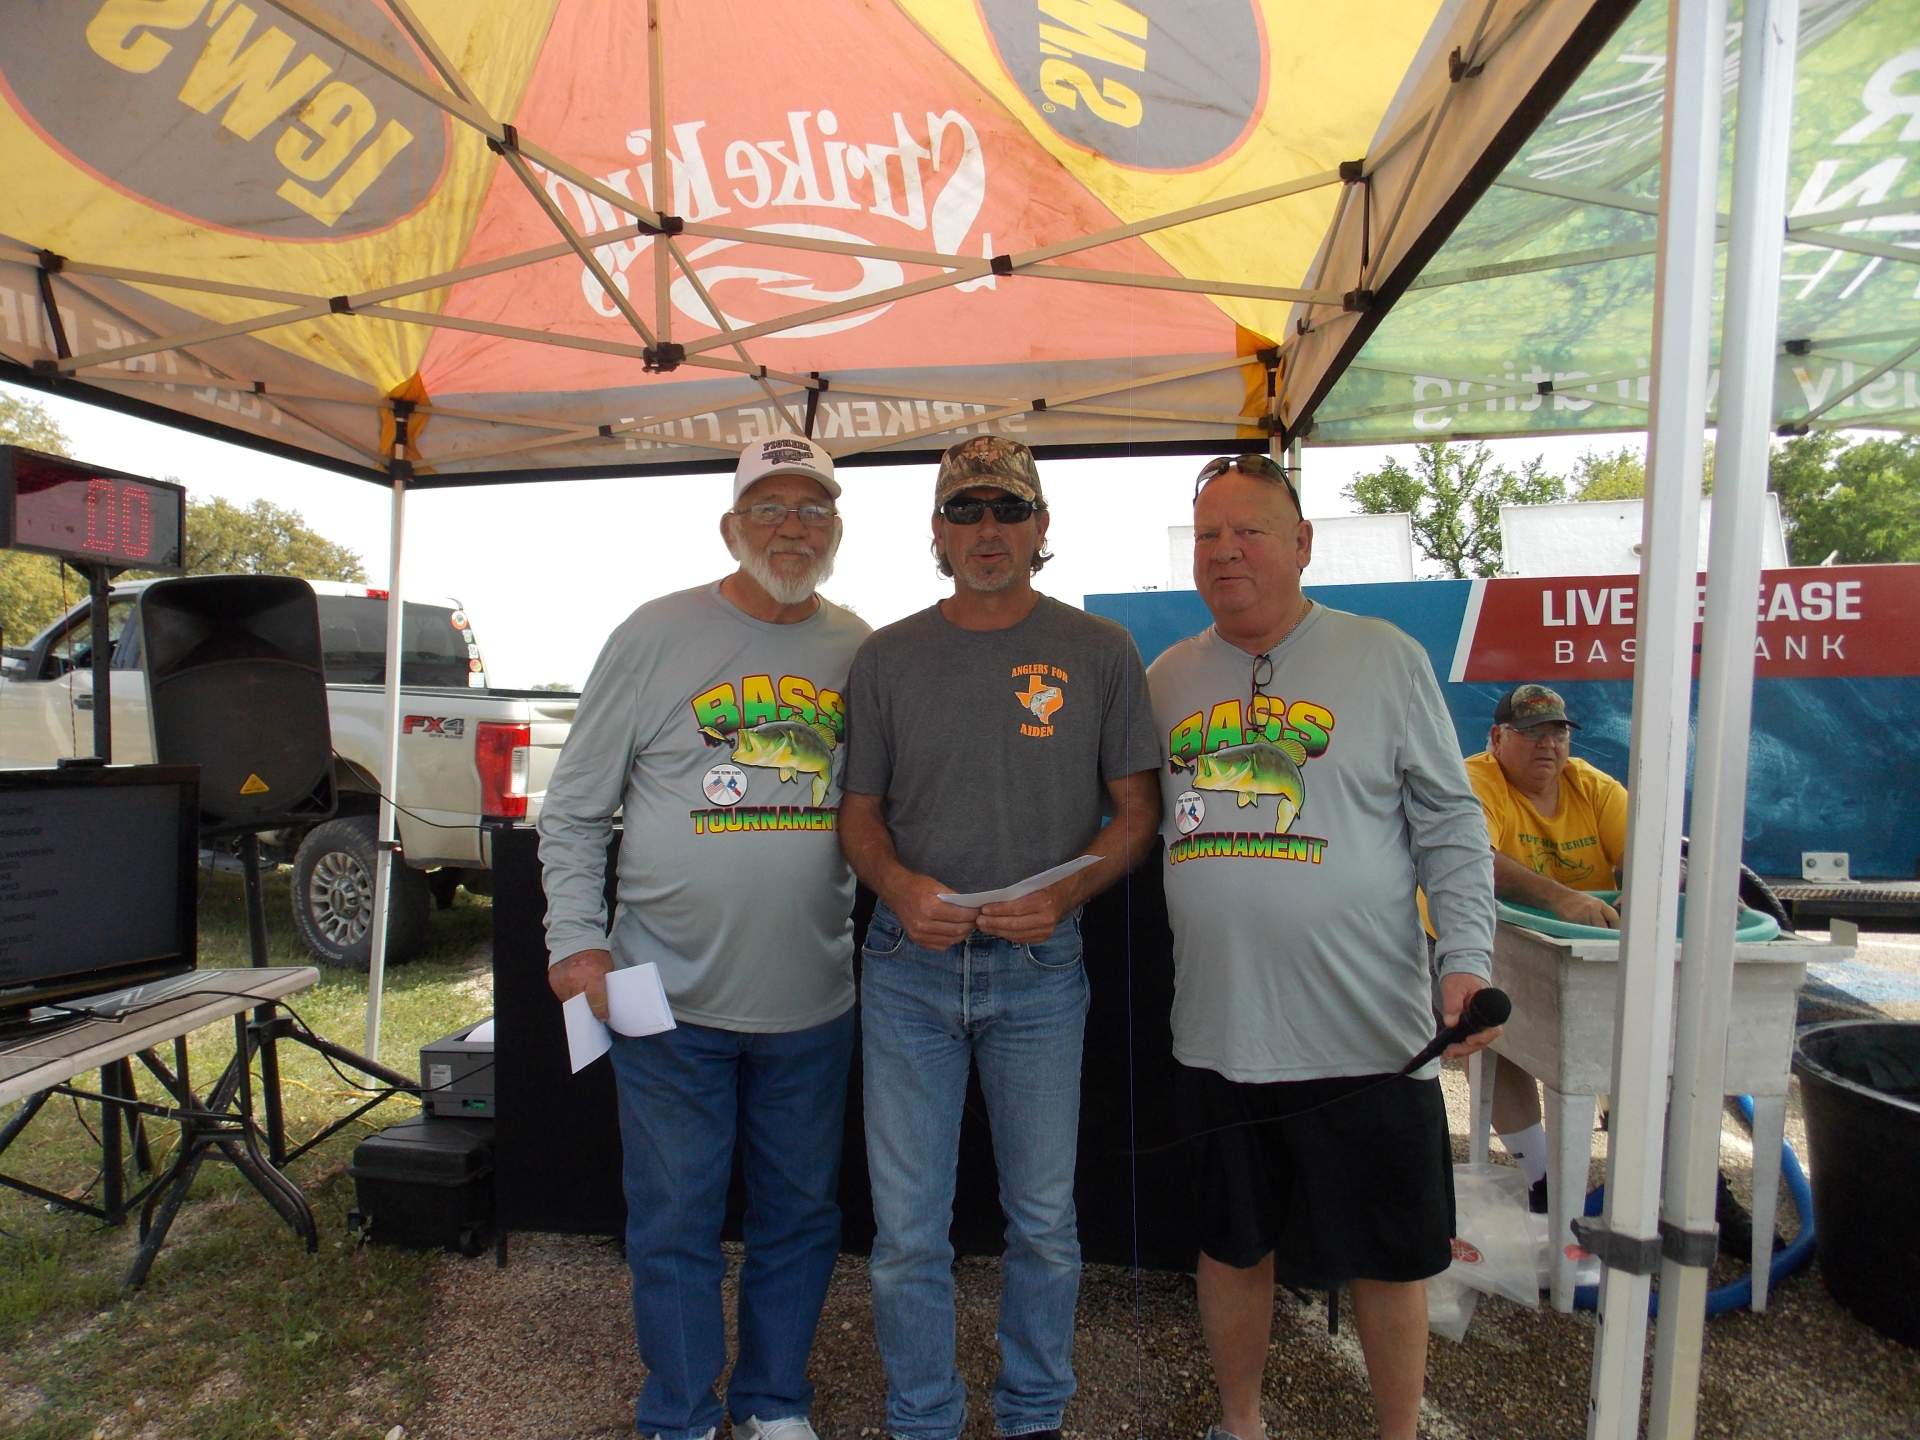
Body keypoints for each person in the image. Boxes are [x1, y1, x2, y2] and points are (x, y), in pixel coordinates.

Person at [1146, 453, 1499, 1440]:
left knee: (1393, 1257)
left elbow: (1451, 826)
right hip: (1221, 1031)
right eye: (1208, 535)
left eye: (1248, 531)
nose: (1225, 552)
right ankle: (1243, 1422)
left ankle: (1398, 1432)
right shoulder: (1167, 679)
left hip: (1371, 1037)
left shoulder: (1383, 657)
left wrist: (1464, 960)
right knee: (1230, 1246)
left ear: (1302, 544)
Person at [539, 433, 869, 1440]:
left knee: (800, 1219)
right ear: (731, 527)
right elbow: (576, 808)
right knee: (675, 1224)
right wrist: (575, 938)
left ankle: (774, 1403)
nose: (792, 527)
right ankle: (680, 1415)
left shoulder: (860, 646)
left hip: (812, 1001)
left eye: (812, 509)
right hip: (661, 997)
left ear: (838, 532)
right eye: (770, 508)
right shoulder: (654, 633)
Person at [838, 435, 1161, 1440]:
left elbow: (1136, 814)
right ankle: (924, 1419)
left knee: (1047, 1228)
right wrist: (894, 885)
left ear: (1042, 528)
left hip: (1039, 971)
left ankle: (1033, 1416)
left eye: (1008, 511)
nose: (989, 532)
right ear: (936, 531)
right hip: (908, 969)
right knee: (905, 1235)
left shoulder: (1100, 650)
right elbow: (859, 814)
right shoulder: (886, 656)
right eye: (967, 511)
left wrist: (1068, 896)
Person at [1464, 683, 1627, 1209]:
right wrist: (1562, 899)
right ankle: (1542, 1180)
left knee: (1639, 1044)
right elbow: (1471, 856)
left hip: (1585, 949)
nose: (1547, 745)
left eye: (1557, 733)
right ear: (1496, 739)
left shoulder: (1595, 788)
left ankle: (1681, 1180)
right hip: (1488, 939)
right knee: (1494, 1032)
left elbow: (1652, 849)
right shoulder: (1475, 779)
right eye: (1530, 733)